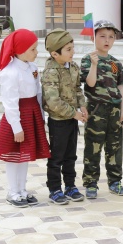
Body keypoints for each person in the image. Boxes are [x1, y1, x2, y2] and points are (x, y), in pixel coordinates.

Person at [0, 29, 51, 208]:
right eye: (33, 49)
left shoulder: (33, 68)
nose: (36, 52)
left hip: (31, 113)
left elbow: (38, 93)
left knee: (25, 155)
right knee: (13, 156)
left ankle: (22, 189)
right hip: (17, 117)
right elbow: (10, 103)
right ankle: (13, 191)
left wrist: (40, 116)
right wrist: (16, 127)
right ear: (20, 50)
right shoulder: (10, 72)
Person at [81, 20, 123, 199]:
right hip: (96, 110)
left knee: (114, 147)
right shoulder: (88, 59)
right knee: (93, 147)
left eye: (111, 37)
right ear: (93, 38)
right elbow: (90, 83)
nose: (107, 40)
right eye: (102, 36)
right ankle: (91, 183)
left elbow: (120, 87)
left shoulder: (115, 63)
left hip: (114, 111)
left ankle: (115, 181)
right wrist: (94, 65)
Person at [42, 29, 88, 205]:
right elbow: (53, 101)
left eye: (72, 47)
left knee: (70, 156)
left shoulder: (73, 67)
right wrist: (74, 113)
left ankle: (70, 186)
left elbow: (77, 89)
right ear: (55, 54)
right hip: (58, 122)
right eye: (68, 49)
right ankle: (54, 189)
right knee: (57, 157)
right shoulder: (51, 72)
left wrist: (82, 105)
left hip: (72, 120)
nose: (72, 52)